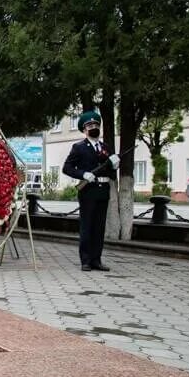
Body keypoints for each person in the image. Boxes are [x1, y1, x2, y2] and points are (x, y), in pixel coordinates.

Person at [63, 110, 120, 272]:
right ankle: (86, 261)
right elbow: (66, 168)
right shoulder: (79, 147)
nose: (94, 127)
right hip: (88, 191)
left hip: (103, 190)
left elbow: (110, 172)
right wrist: (83, 174)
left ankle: (97, 260)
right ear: (84, 129)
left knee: (99, 227)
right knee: (87, 226)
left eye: (96, 124)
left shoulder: (106, 147)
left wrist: (114, 166)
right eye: (90, 125)